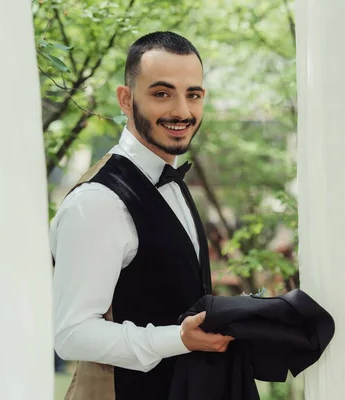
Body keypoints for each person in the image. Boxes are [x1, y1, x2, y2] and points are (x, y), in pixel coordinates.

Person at [50, 31, 234, 400]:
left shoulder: (173, 181)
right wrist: (177, 338)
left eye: (193, 94)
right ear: (125, 98)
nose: (182, 111)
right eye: (162, 93)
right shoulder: (97, 202)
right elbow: (71, 334)